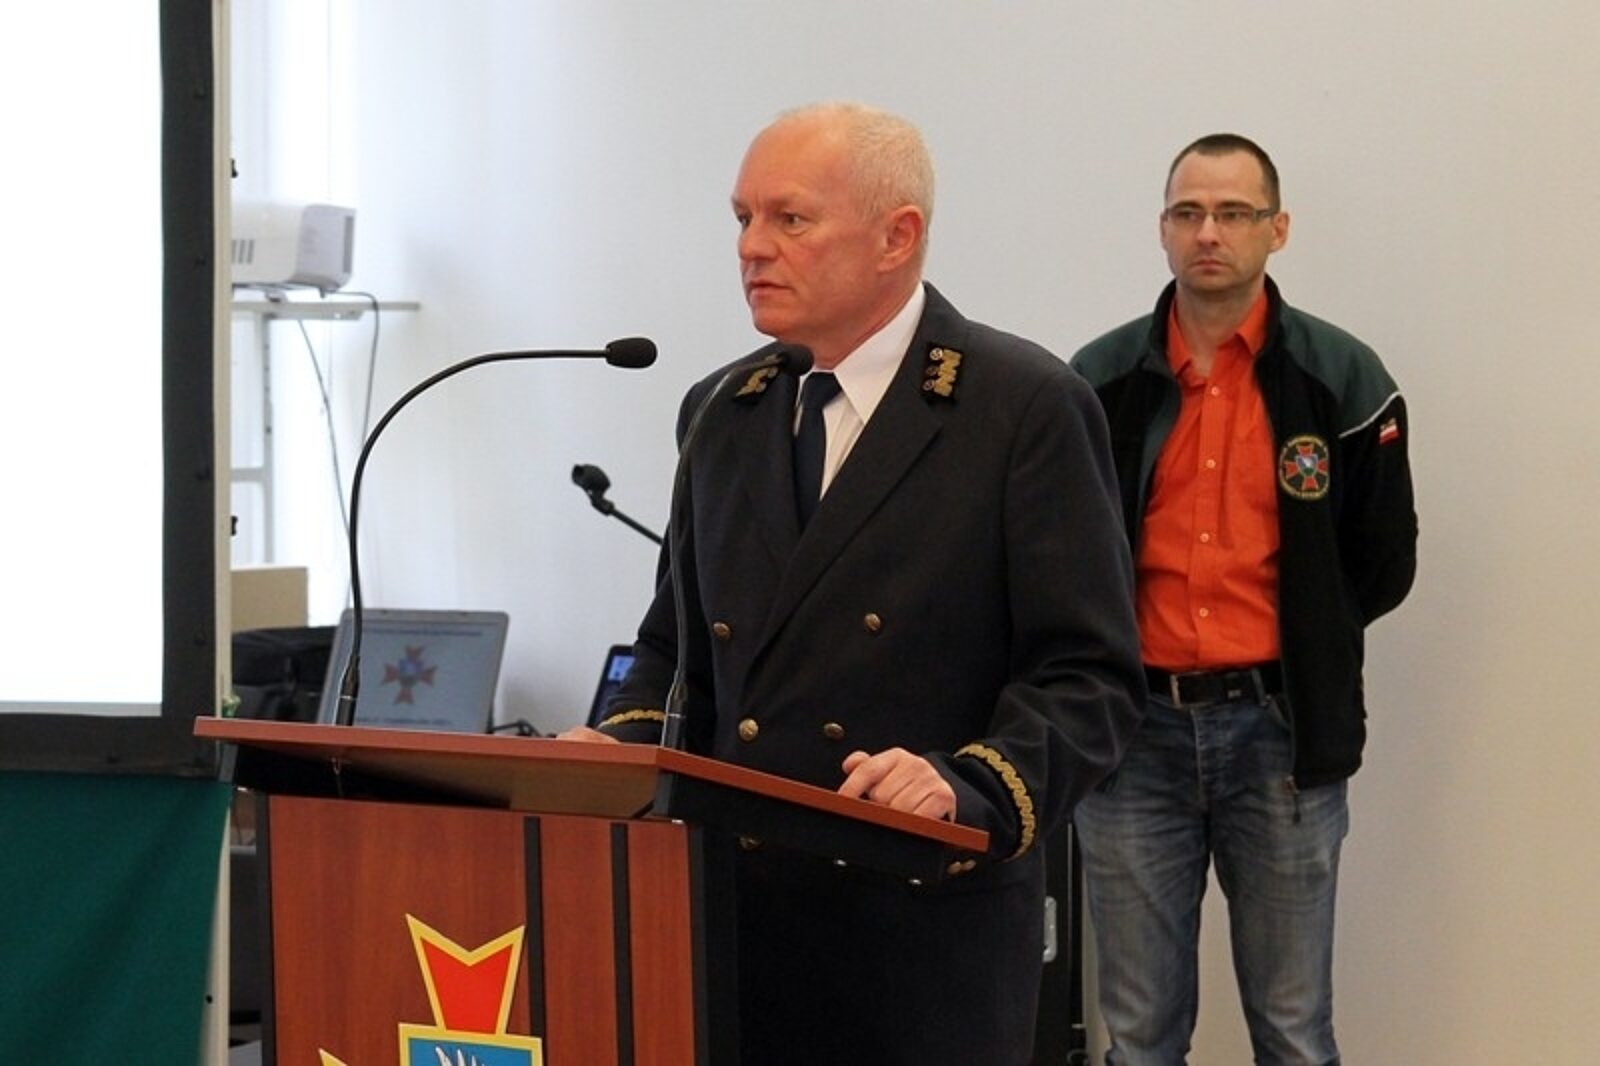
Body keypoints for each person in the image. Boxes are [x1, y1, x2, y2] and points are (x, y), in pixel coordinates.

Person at [560, 102, 1144, 1064]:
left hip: (917, 937)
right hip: (733, 927)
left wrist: (968, 783)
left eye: (789, 219)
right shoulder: (723, 408)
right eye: (742, 217)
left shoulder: (1020, 407)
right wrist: (616, 746)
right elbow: (674, 646)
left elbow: (1089, 678)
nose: (752, 247)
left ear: (896, 237)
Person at [1069, 134, 1418, 1065]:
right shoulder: (1095, 382)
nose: (1208, 233)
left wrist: (1308, 637)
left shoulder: (1344, 378)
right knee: (1138, 1037)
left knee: (1294, 1032)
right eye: (1188, 213)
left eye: (1233, 213)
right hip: (1131, 740)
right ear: (1163, 229)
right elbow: (1058, 558)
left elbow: (1382, 561)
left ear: (1278, 228)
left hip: (1282, 734)